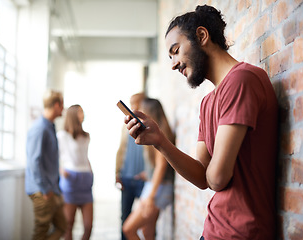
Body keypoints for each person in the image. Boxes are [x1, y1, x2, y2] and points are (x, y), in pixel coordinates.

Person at [124, 5, 278, 240]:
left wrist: (211, 170)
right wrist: (160, 141)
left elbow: (216, 179)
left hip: (243, 233)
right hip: (213, 230)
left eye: (176, 50)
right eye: (170, 57)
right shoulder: (208, 103)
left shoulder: (242, 80)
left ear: (202, 36)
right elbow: (203, 176)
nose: (174, 63)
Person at [122, 98, 175, 240]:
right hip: (157, 185)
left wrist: (151, 197)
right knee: (147, 232)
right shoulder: (159, 132)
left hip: (158, 189)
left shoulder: (159, 134)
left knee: (128, 229)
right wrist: (148, 174)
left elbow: (161, 165)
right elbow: (159, 164)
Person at [25, 89, 66, 240]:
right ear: (56, 105)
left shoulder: (49, 126)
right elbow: (34, 162)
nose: (63, 108)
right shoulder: (40, 128)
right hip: (42, 191)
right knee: (40, 232)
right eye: (62, 104)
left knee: (62, 226)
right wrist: (45, 189)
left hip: (52, 189)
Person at [57, 104, 94, 240]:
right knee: (69, 223)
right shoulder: (62, 136)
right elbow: (56, 157)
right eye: (79, 112)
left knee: (88, 225)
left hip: (86, 179)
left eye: (83, 112)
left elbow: (85, 157)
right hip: (70, 179)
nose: (82, 115)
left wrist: (91, 172)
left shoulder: (86, 136)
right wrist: (61, 170)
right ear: (72, 115)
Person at [115, 93, 146, 240]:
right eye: (131, 103)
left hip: (143, 180)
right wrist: (117, 173)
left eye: (137, 103)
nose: (133, 107)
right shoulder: (126, 126)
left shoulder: (149, 126)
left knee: (145, 221)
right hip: (126, 177)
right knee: (125, 216)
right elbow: (121, 150)